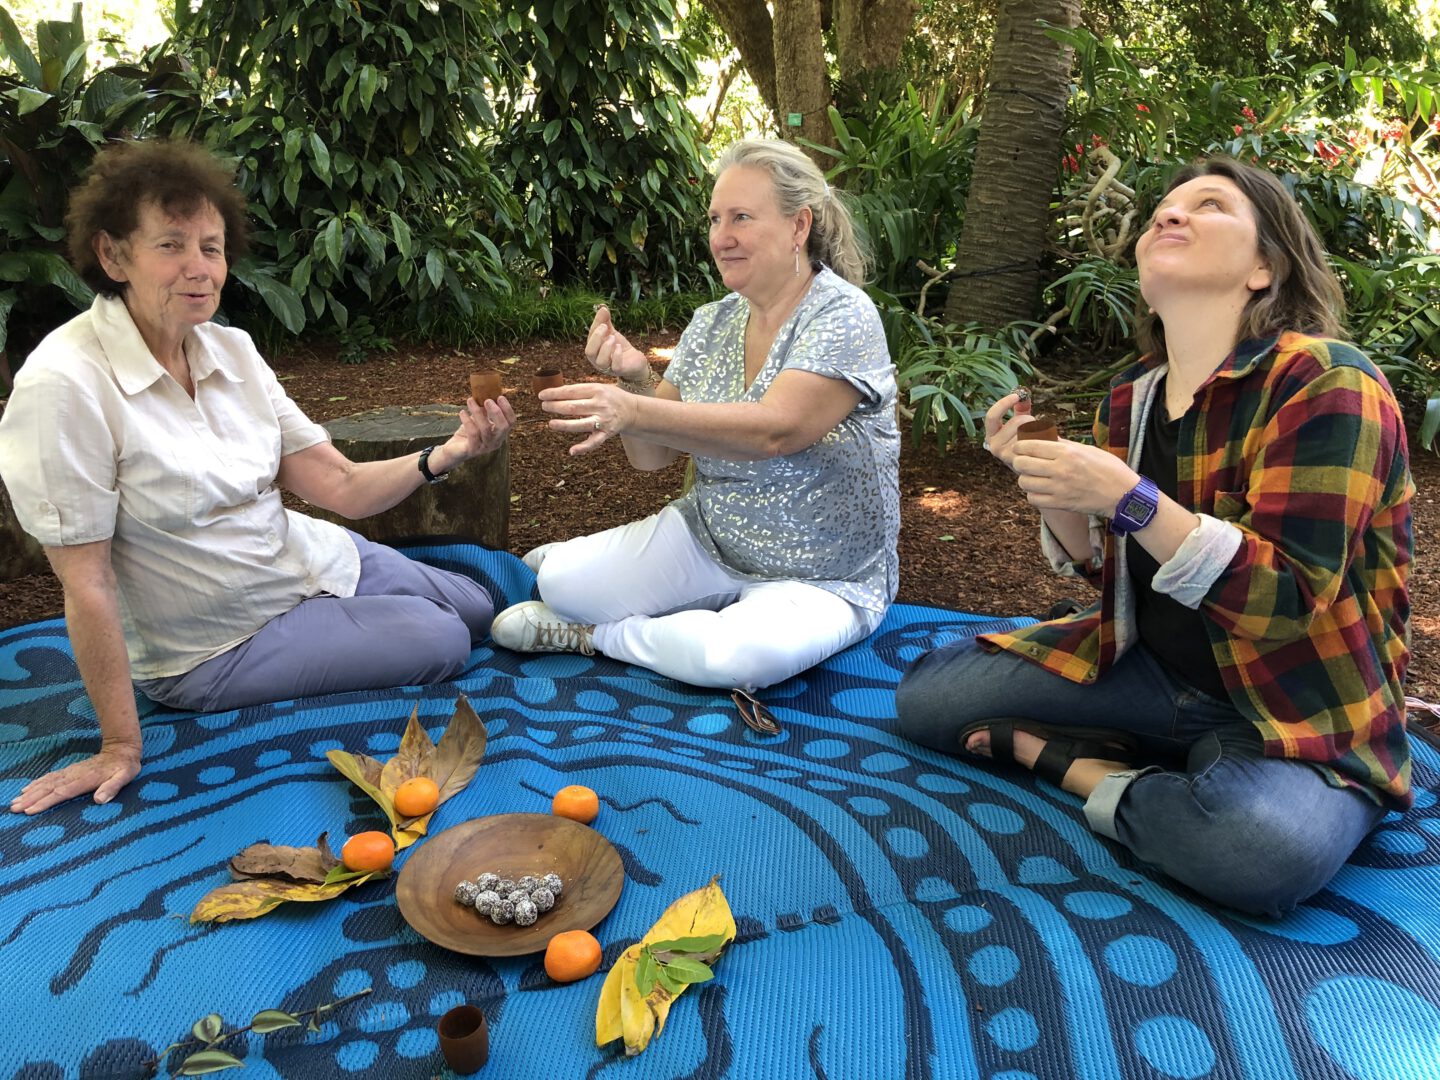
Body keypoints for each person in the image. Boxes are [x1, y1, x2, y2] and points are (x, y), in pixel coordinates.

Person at [896, 157, 1413, 917]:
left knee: (1255, 851)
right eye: (1161, 211)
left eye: (1208, 206)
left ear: (1265, 268)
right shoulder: (1133, 396)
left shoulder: (1329, 382)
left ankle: (1074, 767)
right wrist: (1055, 492)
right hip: (1155, 672)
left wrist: (1128, 497)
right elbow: (1112, 570)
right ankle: (1173, 769)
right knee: (926, 698)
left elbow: (1286, 600)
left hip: (1292, 706)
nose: (1168, 217)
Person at [0, 140, 516, 814]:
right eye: (172, 245)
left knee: (479, 607)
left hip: (302, 557)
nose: (199, 269)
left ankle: (358, 612)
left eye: (211, 248)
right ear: (112, 255)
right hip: (221, 638)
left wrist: (446, 455)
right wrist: (119, 745)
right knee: (445, 637)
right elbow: (86, 581)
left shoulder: (231, 350)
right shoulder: (65, 384)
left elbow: (339, 486)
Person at [488, 138, 900, 691]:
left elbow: (778, 430)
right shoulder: (711, 323)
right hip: (712, 539)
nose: (721, 238)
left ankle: (595, 637)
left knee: (727, 658)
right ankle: (618, 599)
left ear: (799, 226)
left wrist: (632, 407)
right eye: (714, 219)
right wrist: (634, 381)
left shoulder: (843, 314)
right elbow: (653, 458)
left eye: (742, 218)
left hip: (826, 573)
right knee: (561, 585)